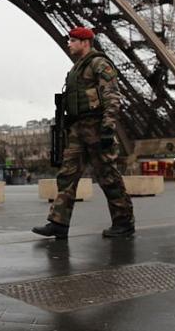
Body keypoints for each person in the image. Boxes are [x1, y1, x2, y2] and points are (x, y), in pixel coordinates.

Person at [32, 27, 135, 240]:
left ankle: (123, 222)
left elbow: (112, 95)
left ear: (85, 42)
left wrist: (108, 126)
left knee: (108, 176)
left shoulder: (99, 63)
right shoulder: (76, 69)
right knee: (67, 175)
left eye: (72, 40)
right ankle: (58, 223)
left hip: (97, 127)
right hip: (78, 129)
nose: (69, 44)